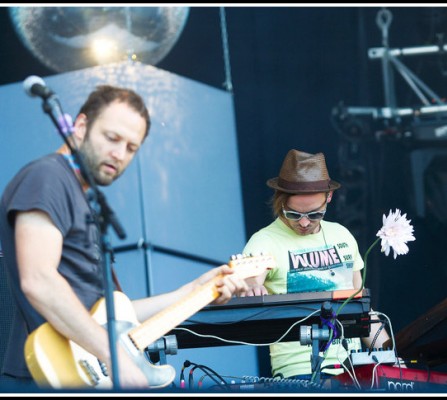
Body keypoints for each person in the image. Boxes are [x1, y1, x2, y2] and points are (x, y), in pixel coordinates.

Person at [0, 84, 248, 390]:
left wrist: (194, 290)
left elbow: (116, 317)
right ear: (80, 126)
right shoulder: (48, 177)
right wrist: (114, 356)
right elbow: (39, 280)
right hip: (45, 377)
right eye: (112, 138)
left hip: (83, 374)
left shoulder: (85, 199)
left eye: (131, 147)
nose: (119, 154)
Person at [242, 149, 391, 382]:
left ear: (329, 197)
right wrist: (251, 289)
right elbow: (251, 283)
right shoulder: (264, 241)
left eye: (314, 214)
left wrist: (391, 356)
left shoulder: (342, 235)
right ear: (280, 199)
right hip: (298, 371)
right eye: (293, 213)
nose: (303, 223)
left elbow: (362, 308)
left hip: (352, 366)